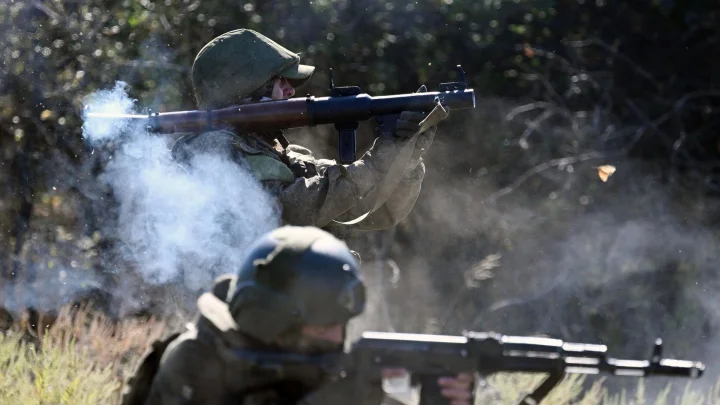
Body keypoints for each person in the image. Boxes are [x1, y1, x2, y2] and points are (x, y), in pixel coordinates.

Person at [121, 226, 473, 405]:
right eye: (324, 325)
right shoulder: (197, 360)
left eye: (342, 324)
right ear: (271, 319)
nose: (338, 339)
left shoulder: (311, 368)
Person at [171, 29, 448, 238]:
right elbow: (284, 212)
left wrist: (406, 157)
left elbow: (373, 210)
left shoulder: (285, 155)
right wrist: (375, 164)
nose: (291, 91)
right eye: (278, 82)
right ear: (245, 89)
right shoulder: (211, 150)